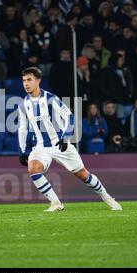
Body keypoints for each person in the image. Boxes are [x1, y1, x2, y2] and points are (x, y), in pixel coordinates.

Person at [17, 67, 122, 212]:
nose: (26, 84)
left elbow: (69, 117)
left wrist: (66, 138)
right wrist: (23, 151)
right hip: (41, 146)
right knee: (33, 169)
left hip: (60, 144)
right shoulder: (23, 105)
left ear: (38, 81)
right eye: (23, 80)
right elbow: (22, 129)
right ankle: (55, 203)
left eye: (29, 80)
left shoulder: (50, 99)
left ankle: (108, 198)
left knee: (83, 175)